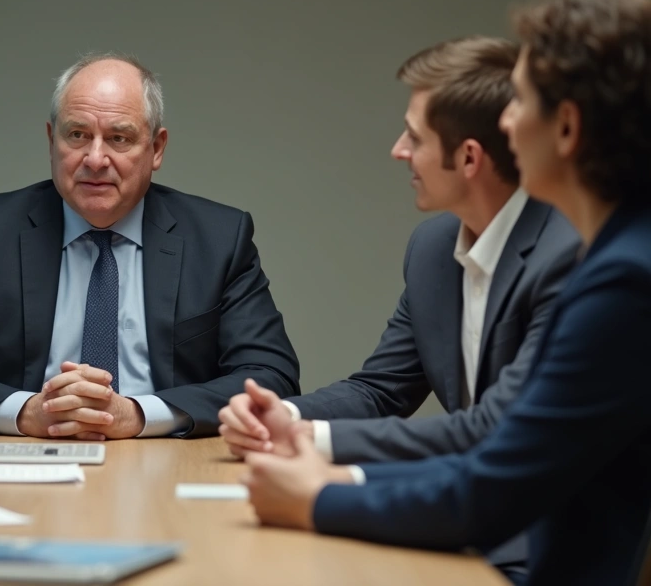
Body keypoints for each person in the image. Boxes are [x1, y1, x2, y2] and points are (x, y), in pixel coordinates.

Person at [243, 0, 651, 586]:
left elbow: (496, 476)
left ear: (565, 127)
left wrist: (319, 496)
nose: (506, 121)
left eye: (523, 102)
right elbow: (478, 453)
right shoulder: (617, 255)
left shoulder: (623, 281)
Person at [0, 53, 300, 439]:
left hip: (167, 465)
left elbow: (271, 378)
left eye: (119, 138)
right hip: (26, 468)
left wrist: (135, 415)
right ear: (51, 140)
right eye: (77, 134)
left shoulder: (218, 238)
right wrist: (27, 412)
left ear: (156, 149)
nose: (95, 159)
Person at [219, 37, 579, 466]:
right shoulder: (433, 249)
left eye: (414, 136)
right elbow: (380, 390)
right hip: (467, 507)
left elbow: (496, 428)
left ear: (469, 158)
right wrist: (281, 415)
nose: (398, 150)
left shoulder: (569, 254)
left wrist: (305, 440)